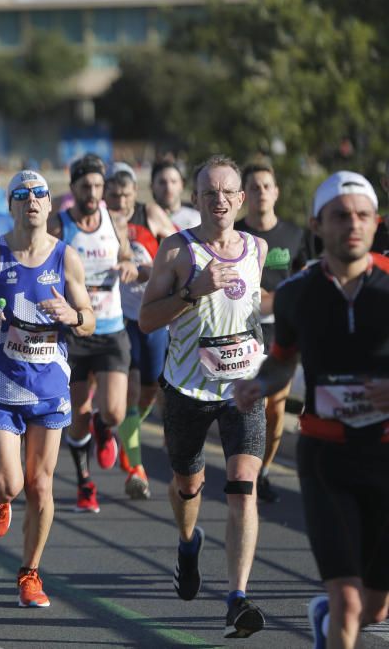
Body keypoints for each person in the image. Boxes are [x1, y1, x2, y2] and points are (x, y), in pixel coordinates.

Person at [234, 171, 389, 649]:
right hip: (327, 458)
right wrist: (259, 384)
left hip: (384, 457)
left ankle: (325, 617)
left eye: (363, 216)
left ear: (376, 222)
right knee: (347, 601)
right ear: (317, 225)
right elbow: (282, 363)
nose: (353, 225)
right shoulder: (298, 294)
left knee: (374, 606)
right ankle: (333, 614)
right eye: (341, 216)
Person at [139, 155, 268, 639]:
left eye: (227, 193)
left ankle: (238, 597)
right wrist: (193, 292)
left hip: (243, 390)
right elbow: (148, 320)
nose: (218, 201)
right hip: (188, 390)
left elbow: (255, 306)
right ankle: (189, 542)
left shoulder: (257, 248)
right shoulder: (177, 251)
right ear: (196, 200)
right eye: (208, 193)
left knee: (242, 485)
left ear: (240, 199)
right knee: (187, 486)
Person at [0, 169, 95, 607]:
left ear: (50, 205)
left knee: (40, 484)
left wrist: (72, 317)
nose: (31, 200)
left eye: (39, 194)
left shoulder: (66, 257)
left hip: (50, 382)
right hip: (1, 380)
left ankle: (30, 574)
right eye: (21, 194)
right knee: (10, 483)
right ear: (10, 205)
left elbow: (88, 317)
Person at [48, 154, 138, 513]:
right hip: (73, 330)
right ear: (73, 188)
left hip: (111, 327)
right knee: (78, 413)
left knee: (114, 412)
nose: (94, 193)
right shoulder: (59, 225)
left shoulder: (115, 221)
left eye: (99, 186)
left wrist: (130, 264)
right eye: (86, 186)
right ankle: (85, 483)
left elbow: (128, 254)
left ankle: (105, 427)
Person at [234, 163, 308, 503]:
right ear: (244, 194)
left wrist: (281, 300)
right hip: (242, 329)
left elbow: (307, 279)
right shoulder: (233, 233)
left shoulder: (295, 234)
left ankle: (262, 470)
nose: (262, 191)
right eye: (255, 186)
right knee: (249, 403)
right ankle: (244, 471)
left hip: (282, 329)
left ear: (276, 192)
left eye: (267, 185)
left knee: (276, 408)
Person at [104, 163, 175, 500]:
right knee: (131, 390)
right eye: (114, 196)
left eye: (126, 195)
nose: (120, 202)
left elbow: (177, 254)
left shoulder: (150, 214)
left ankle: (123, 430)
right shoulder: (98, 221)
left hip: (151, 316)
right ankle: (136, 469)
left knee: (148, 392)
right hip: (118, 319)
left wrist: (145, 270)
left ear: (136, 194)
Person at [152, 159, 201, 231]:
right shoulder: (143, 220)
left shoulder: (198, 219)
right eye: (162, 182)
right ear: (152, 186)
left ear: (182, 185)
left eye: (173, 181)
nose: (168, 188)